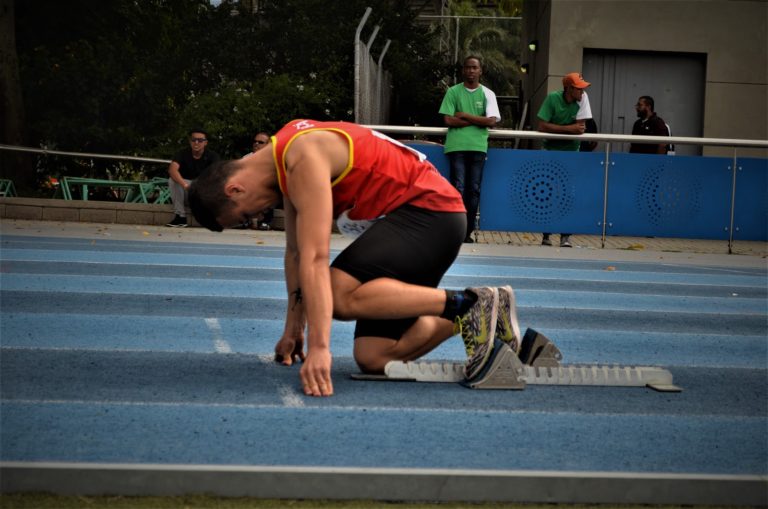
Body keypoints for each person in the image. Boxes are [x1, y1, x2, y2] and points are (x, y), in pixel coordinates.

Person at [189, 119, 522, 397]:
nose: (259, 213)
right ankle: (484, 315)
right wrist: (294, 327)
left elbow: (316, 258)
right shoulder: (282, 161)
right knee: (375, 357)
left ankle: (471, 304)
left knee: (336, 294)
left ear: (235, 190)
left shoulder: (302, 155)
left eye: (247, 212)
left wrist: (321, 347)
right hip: (416, 218)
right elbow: (295, 252)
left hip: (431, 213)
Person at [438, 55, 501, 244]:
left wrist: (464, 116)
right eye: (468, 67)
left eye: (475, 68)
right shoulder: (453, 92)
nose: (471, 71)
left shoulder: (487, 93)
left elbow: (492, 121)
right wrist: (478, 121)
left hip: (478, 147)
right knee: (458, 188)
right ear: (463, 70)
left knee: (473, 190)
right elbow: (448, 120)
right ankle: (454, 230)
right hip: (456, 146)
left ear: (480, 71)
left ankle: (467, 231)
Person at [536, 72, 593, 248]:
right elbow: (542, 125)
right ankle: (546, 235)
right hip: (550, 151)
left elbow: (580, 129)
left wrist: (564, 130)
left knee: (568, 193)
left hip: (571, 152)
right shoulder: (552, 98)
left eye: (583, 88)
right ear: (568, 89)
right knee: (547, 192)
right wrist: (568, 129)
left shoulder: (583, 98)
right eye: (578, 88)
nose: (582, 92)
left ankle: (565, 236)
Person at [166, 129, 220, 227]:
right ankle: (180, 218)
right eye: (194, 139)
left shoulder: (213, 156)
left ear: (205, 142)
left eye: (200, 140)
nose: (196, 142)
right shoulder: (182, 153)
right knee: (173, 180)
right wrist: (185, 185)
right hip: (186, 192)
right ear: (190, 141)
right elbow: (172, 170)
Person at [250, 131, 273, 230]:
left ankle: (265, 222)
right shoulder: (246, 159)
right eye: (255, 141)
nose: (256, 144)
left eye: (260, 142)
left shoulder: (275, 160)